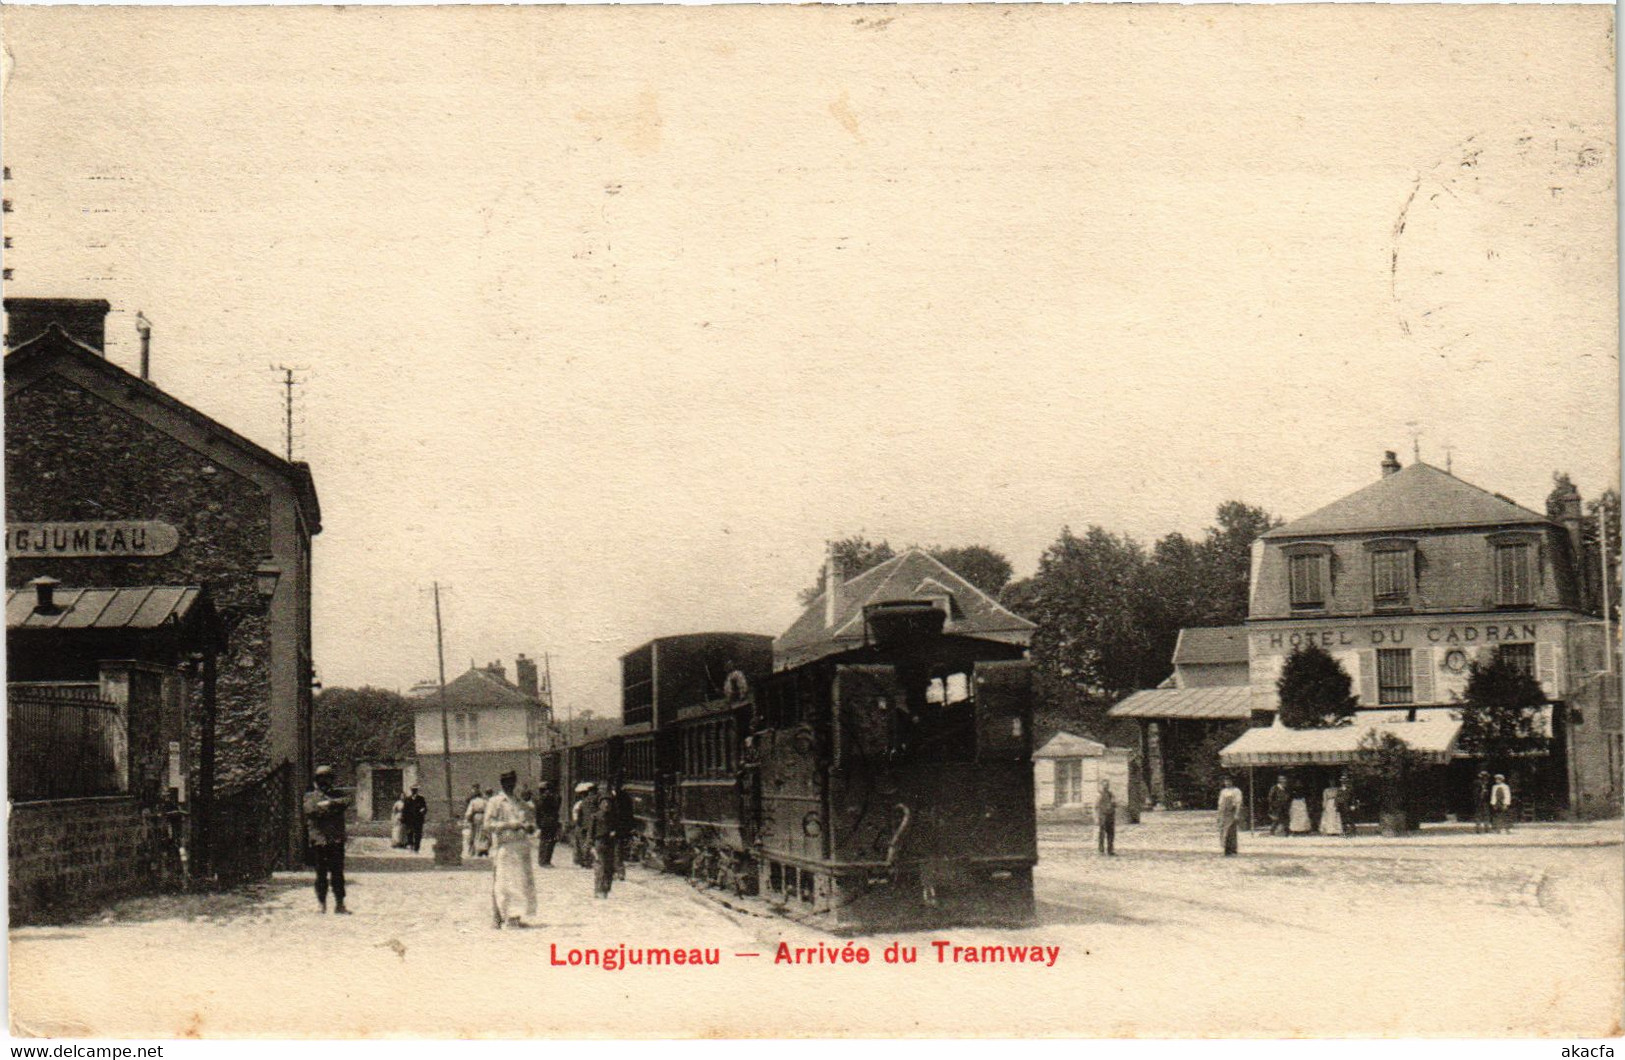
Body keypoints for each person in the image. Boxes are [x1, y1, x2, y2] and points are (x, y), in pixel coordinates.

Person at [484, 770, 538, 929]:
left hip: (521, 847)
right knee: (504, 883)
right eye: (506, 782)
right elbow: (487, 825)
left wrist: (529, 827)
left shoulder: (521, 803)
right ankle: (501, 917)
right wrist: (508, 825)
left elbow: (531, 823)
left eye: (512, 781)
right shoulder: (496, 802)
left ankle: (515, 916)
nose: (509, 784)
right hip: (505, 847)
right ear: (501, 783)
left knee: (521, 883)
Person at [303, 765, 352, 914]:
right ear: (317, 780)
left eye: (328, 778)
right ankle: (321, 903)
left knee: (337, 873)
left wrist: (330, 804)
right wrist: (329, 809)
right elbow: (310, 810)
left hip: (335, 840)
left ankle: (340, 904)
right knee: (321, 874)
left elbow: (346, 801)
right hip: (319, 841)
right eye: (322, 778)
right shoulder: (310, 796)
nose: (325, 781)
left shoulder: (337, 795)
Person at [589, 788, 619, 898]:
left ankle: (605, 889)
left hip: (610, 843)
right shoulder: (595, 816)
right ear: (600, 804)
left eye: (608, 802)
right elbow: (591, 832)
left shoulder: (614, 816)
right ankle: (599, 890)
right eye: (604, 802)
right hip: (599, 843)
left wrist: (615, 832)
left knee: (609, 867)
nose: (606, 805)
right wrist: (591, 845)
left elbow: (617, 829)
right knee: (601, 867)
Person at [535, 782, 561, 867]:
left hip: (544, 822)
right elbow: (556, 807)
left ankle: (542, 860)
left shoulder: (539, 799)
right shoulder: (549, 798)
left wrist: (538, 823)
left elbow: (537, 813)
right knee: (550, 841)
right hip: (550, 822)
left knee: (544, 841)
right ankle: (546, 861)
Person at [1217, 775, 1244, 856]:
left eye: (1229, 781)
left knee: (1231, 831)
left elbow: (1238, 803)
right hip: (1224, 813)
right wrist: (1219, 815)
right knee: (1223, 831)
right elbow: (1220, 804)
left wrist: (1237, 813)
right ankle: (1226, 849)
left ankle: (1232, 849)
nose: (1227, 783)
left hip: (1231, 812)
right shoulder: (1223, 791)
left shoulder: (1236, 791)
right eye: (1226, 781)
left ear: (1232, 782)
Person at [571, 782, 595, 867]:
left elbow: (577, 816)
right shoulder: (589, 802)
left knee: (582, 843)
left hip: (582, 825)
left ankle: (583, 860)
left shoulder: (581, 803)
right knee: (584, 843)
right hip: (586, 825)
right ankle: (585, 861)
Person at [1095, 779, 1117, 856]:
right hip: (1102, 816)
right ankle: (1101, 850)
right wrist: (1097, 818)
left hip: (1110, 816)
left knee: (1111, 833)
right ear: (1102, 786)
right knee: (1102, 834)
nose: (1106, 787)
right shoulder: (1099, 795)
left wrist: (1114, 803)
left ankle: (1110, 850)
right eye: (1104, 785)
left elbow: (1115, 804)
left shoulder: (1111, 794)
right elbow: (1096, 807)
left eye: (1107, 785)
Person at [403, 786, 428, 853]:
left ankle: (416, 848)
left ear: (417, 791)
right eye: (413, 790)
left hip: (418, 819)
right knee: (410, 833)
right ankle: (410, 845)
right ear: (411, 791)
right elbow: (405, 810)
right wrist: (404, 819)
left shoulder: (421, 799)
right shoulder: (407, 799)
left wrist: (423, 810)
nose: (414, 791)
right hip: (410, 819)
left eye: (415, 790)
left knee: (418, 834)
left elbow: (425, 808)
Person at [461, 782, 482, 857]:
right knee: (471, 835)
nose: (475, 790)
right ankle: (471, 851)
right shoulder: (470, 798)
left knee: (476, 834)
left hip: (475, 817)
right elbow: (466, 807)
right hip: (471, 817)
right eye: (474, 788)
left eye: (476, 788)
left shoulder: (479, 796)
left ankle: (475, 850)